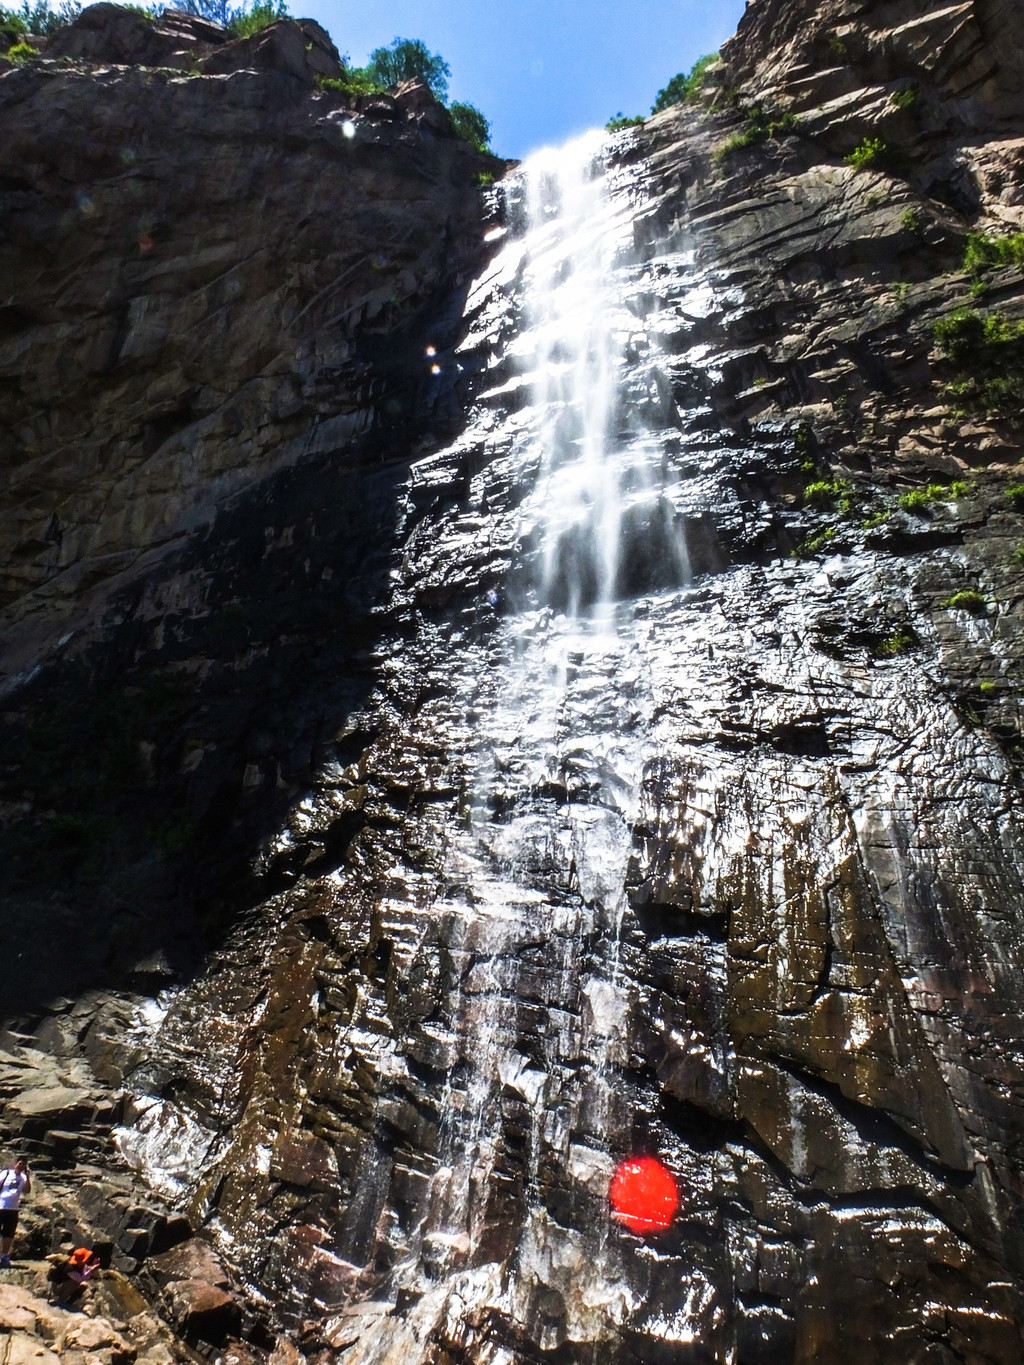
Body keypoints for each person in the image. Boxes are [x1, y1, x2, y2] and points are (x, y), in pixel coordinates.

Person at [0, 1157, 30, 1267]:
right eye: (20, 1164)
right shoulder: (6, 1173)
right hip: (1, 1206)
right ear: (15, 1164)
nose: (21, 1166)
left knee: (8, 1234)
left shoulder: (23, 1178)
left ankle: (4, 1256)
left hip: (13, 1209)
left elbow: (27, 1190)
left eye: (24, 1165)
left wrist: (28, 1176)